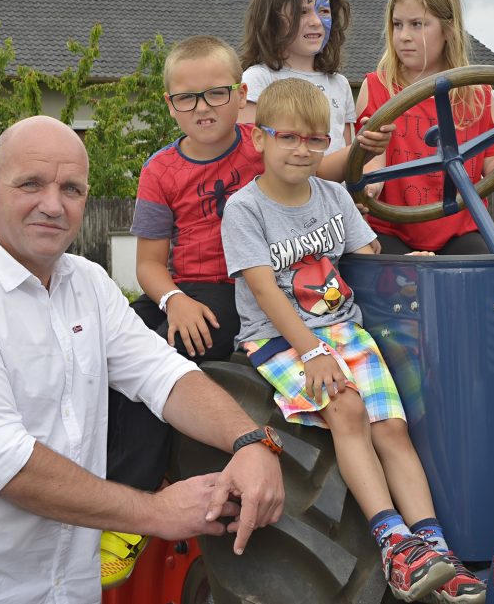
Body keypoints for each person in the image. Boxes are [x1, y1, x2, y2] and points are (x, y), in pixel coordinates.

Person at [0, 115, 285, 604]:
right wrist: (158, 512)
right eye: (31, 184)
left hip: (66, 587)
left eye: (72, 189)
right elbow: (4, 462)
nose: (53, 205)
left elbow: (162, 374)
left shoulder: (88, 283)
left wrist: (250, 440)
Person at [106, 36, 391, 583]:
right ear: (170, 104)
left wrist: (364, 147)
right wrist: (174, 300)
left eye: (216, 93)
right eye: (187, 98)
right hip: (197, 290)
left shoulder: (262, 144)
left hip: (272, 284)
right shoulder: (160, 171)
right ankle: (132, 501)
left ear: (242, 98)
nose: (203, 108)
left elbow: (321, 162)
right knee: (140, 355)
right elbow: (147, 264)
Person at [221, 78, 485, 604]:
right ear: (259, 139)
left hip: (344, 327)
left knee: (391, 426)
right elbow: (264, 292)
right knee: (345, 411)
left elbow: (366, 253)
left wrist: (402, 266)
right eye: (288, 137)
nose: (302, 149)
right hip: (279, 337)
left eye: (316, 139)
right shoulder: (245, 209)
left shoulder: (333, 193)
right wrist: (313, 351)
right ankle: (392, 544)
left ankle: (434, 549)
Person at [356, 0, 494, 255]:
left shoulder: (477, 94)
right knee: (380, 272)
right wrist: (370, 186)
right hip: (392, 228)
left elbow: (491, 166)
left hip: (458, 229)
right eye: (397, 24)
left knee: (488, 273)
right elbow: (372, 160)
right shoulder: (377, 87)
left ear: (448, 29)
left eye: (417, 25)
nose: (403, 36)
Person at [238, 0, 364, 172]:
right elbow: (250, 159)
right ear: (271, 18)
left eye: (324, 11)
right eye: (303, 12)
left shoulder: (340, 84)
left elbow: (347, 158)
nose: (315, 21)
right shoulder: (258, 80)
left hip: (337, 204)